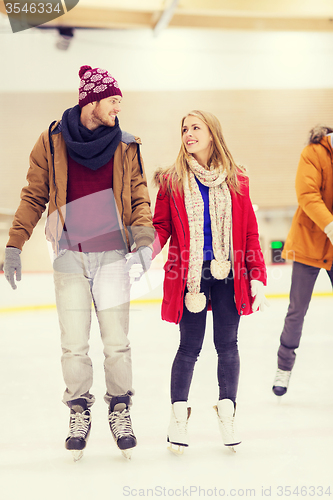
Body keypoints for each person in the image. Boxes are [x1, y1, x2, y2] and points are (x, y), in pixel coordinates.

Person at [3, 65, 154, 461]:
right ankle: (79, 410)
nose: (119, 108)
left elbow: (139, 196)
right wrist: (15, 244)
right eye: (114, 101)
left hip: (113, 256)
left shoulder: (125, 143)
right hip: (70, 254)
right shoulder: (52, 141)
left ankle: (120, 408)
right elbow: (34, 195)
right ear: (92, 101)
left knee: (117, 343)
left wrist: (143, 240)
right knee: (73, 345)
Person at [152, 110, 268, 454]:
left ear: (212, 133)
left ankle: (228, 411)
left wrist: (258, 275)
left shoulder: (237, 179)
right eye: (184, 129)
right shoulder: (173, 181)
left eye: (195, 128)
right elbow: (161, 227)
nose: (188, 134)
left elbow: (249, 232)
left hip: (229, 273)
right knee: (189, 347)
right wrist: (143, 248)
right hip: (189, 276)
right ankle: (178, 416)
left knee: (227, 344)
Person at [272, 125, 333, 397]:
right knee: (297, 310)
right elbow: (307, 195)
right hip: (310, 240)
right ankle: (283, 369)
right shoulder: (313, 152)